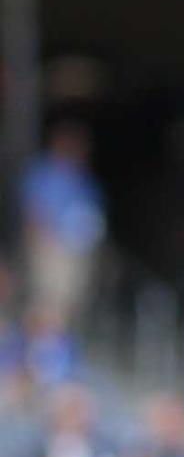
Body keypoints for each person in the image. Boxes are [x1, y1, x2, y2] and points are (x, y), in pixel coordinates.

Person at [20, 116, 105, 339]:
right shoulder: (43, 172)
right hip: (49, 249)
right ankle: (36, 354)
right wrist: (40, 244)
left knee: (67, 306)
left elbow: (94, 217)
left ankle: (56, 355)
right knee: (46, 304)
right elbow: (33, 211)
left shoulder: (85, 180)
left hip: (77, 252)